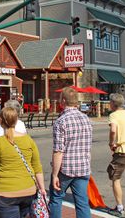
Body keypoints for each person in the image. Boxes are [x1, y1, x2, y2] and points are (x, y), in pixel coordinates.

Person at [0, 107, 46, 217]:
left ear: (0, 121)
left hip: (5, 193)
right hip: (28, 191)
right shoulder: (29, 140)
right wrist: (42, 188)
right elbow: (37, 167)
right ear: (16, 121)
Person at [48, 87, 93, 218]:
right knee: (82, 203)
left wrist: (55, 174)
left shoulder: (61, 121)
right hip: (83, 167)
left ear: (62, 101)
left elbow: (58, 151)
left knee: (56, 199)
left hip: (66, 169)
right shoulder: (86, 119)